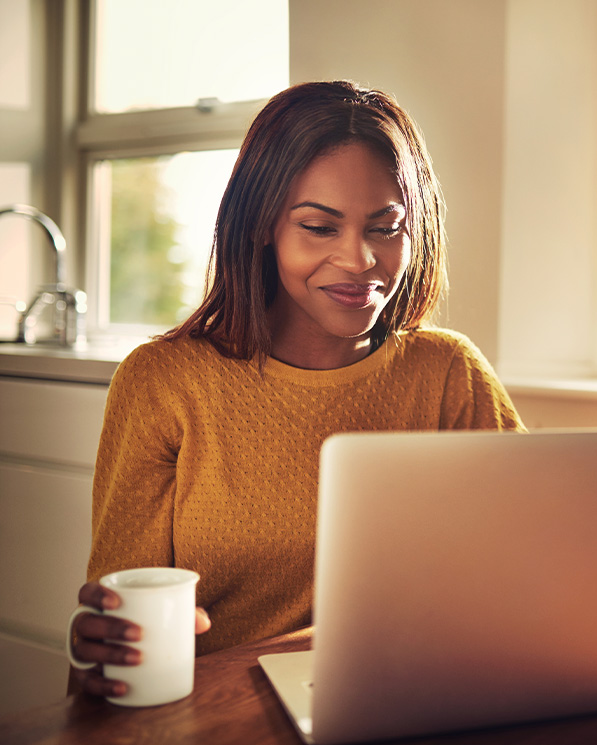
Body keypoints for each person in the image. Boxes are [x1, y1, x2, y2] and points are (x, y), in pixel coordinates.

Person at [68, 81, 524, 699]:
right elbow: (115, 634)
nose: (360, 260)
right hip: (217, 717)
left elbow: (531, 570)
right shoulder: (164, 382)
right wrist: (104, 650)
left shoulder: (449, 375)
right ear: (261, 226)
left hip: (408, 699)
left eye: (386, 228)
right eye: (319, 227)